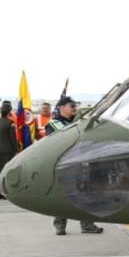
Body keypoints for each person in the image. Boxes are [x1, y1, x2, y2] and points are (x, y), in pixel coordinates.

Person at [47, 96, 104, 235]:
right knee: (62, 196)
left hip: (82, 163)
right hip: (64, 165)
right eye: (71, 106)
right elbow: (60, 141)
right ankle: (60, 225)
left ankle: (87, 224)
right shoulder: (53, 123)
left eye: (75, 106)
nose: (74, 108)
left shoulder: (78, 121)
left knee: (86, 194)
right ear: (61, 107)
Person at [0, 101, 18, 200]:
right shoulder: (10, 123)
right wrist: (16, 150)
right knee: (5, 171)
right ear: (9, 112)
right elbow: (12, 139)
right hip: (7, 150)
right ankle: (3, 191)